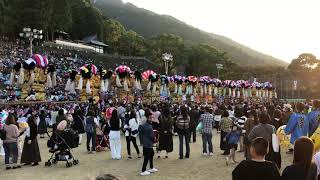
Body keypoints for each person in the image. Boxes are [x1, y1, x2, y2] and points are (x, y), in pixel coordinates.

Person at [140, 109, 158, 176]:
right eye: (150, 118)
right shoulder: (149, 126)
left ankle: (151, 167)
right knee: (147, 157)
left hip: (146, 143)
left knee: (151, 154)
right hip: (148, 143)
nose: (151, 119)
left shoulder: (144, 125)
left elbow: (141, 133)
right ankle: (143, 170)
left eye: (152, 117)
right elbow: (152, 136)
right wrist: (154, 140)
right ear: (147, 118)